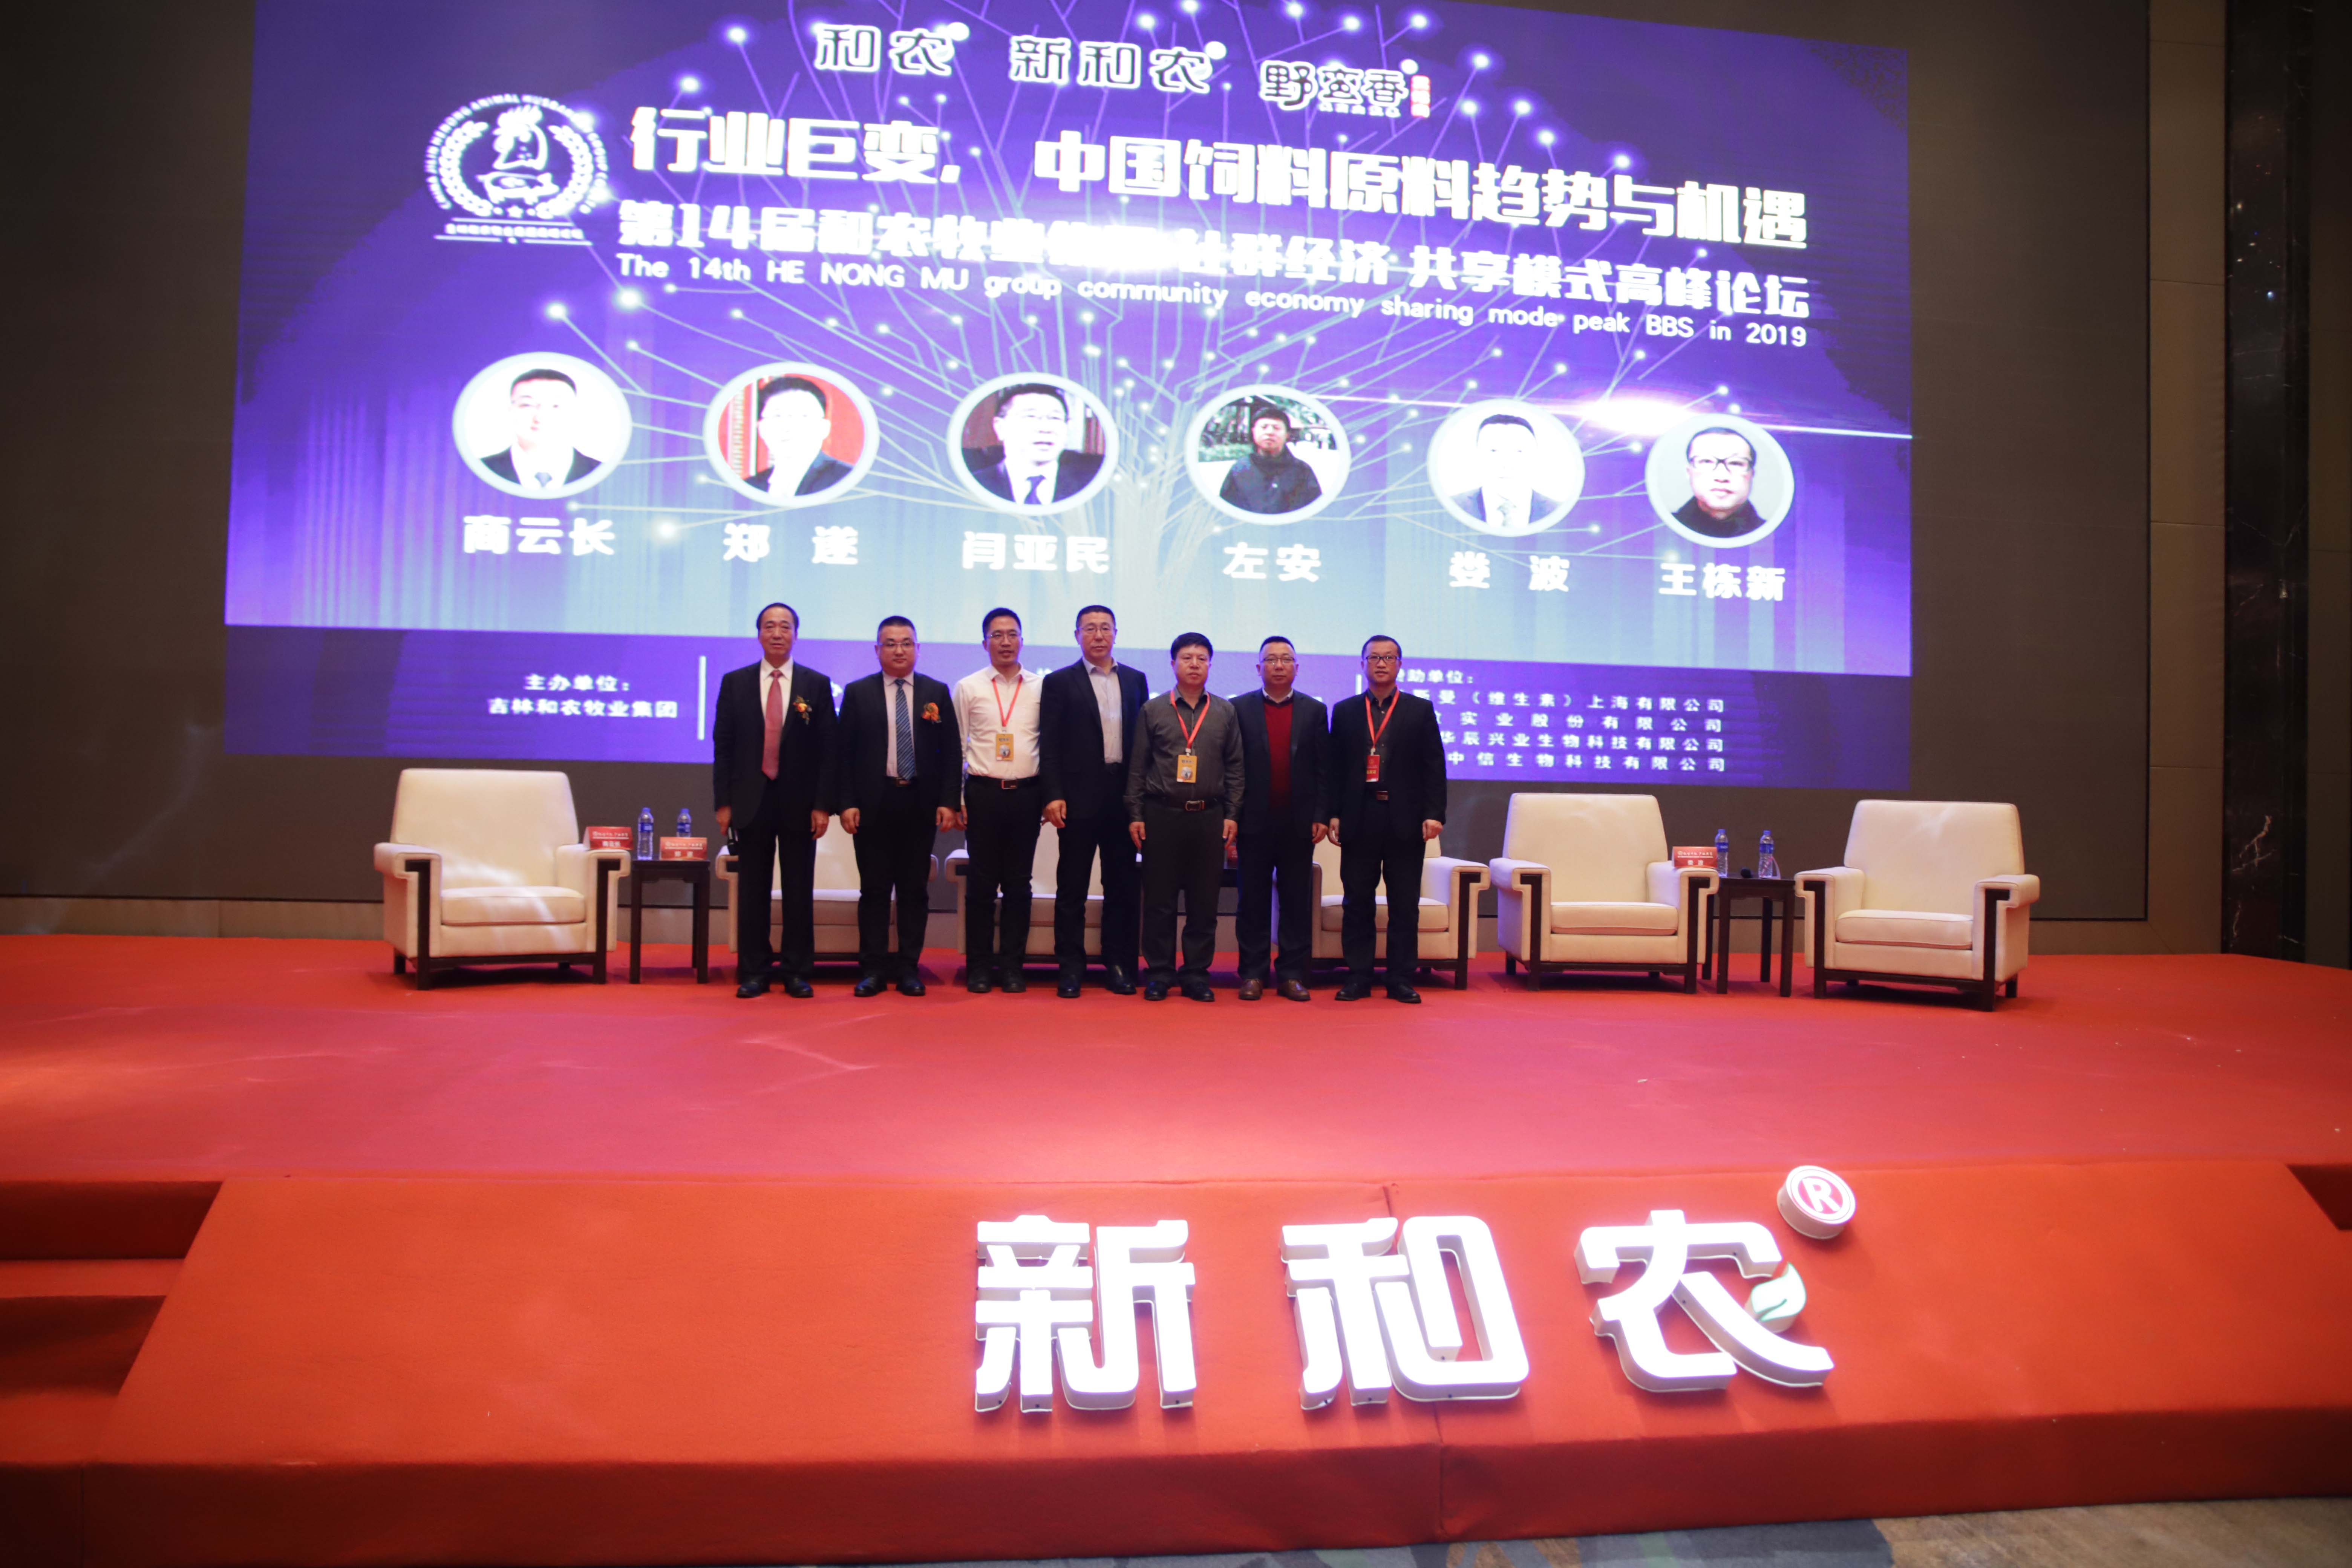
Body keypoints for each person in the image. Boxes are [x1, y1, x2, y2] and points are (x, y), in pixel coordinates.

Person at [830, 616, 959, 997]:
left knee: (914, 891)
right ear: (877, 650)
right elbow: (843, 754)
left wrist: (948, 801)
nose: (899, 650)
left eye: (906, 643)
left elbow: (952, 752)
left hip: (919, 803)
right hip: (873, 804)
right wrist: (846, 803)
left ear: (918, 649)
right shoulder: (858, 693)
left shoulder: (936, 691)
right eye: (890, 643)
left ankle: (908, 969)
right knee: (874, 890)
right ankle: (872, 969)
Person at [712, 602, 836, 998]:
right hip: (750, 800)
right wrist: (723, 803)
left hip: (800, 803)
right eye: (769, 626)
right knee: (753, 892)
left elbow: (828, 751)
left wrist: (822, 805)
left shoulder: (816, 684)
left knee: (799, 890)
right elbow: (724, 746)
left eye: (785, 626)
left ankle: (797, 971)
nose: (777, 633)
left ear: (796, 635)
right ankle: (754, 971)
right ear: (759, 634)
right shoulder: (736, 682)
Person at [1324, 635, 1446, 1003]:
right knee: (1357, 901)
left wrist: (1434, 813)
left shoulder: (1419, 710)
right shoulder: (1345, 711)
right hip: (1359, 817)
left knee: (1404, 903)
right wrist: (1333, 813)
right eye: (1374, 657)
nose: (1381, 663)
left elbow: (1434, 766)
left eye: (1389, 657)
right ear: (1362, 664)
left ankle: (1400, 979)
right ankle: (1358, 976)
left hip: (1405, 818)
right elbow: (1335, 769)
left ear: (1400, 665)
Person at [1125, 633, 1244, 1002]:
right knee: (1159, 901)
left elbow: (1236, 767)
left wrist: (1232, 814)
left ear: (1210, 665)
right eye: (1187, 658)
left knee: (1203, 901)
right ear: (1173, 663)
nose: (1195, 664)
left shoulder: (1225, 711)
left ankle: (1196, 974)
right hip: (1162, 814)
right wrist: (1135, 814)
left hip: (1209, 816)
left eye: (1202, 658)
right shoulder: (1153, 709)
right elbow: (1138, 767)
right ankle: (1160, 973)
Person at [1039, 604, 1148, 997]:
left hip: (1123, 797)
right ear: (1077, 635)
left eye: (1105, 628)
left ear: (1116, 633)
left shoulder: (1135, 680)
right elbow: (1049, 744)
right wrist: (1053, 794)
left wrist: (1141, 801)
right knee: (1072, 887)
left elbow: (1144, 746)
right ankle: (1070, 968)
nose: (1098, 635)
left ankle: (1119, 965)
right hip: (1077, 798)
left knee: (1122, 886)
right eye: (1090, 628)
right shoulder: (1059, 682)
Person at [952, 608, 1046, 992]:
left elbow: (1049, 747)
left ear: (1022, 640)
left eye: (1012, 635)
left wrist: (1048, 796)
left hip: (1027, 794)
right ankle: (978, 967)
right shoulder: (968, 687)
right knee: (981, 885)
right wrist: (957, 797)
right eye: (997, 635)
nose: (1006, 642)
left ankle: (1011, 967)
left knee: (1019, 885)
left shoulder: (1041, 687)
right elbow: (957, 745)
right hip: (983, 793)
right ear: (985, 642)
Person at [1230, 636, 1329, 1001]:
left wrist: (1321, 814)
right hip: (1253, 821)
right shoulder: (1239, 708)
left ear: (1297, 668)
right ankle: (1253, 974)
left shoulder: (1314, 710)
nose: (1278, 665)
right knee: (1252, 902)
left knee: (1295, 902)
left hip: (1298, 823)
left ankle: (1291, 974)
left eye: (1286, 659)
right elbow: (1232, 766)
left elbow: (1323, 769)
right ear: (1259, 668)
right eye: (1271, 660)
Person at [969, 383, 1104, 505]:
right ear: (1000, 427)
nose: (1045, 428)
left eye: (1055, 418)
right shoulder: (974, 486)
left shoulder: (1094, 485)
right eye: (1031, 417)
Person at [480, 368, 606, 490]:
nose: (540, 417)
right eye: (528, 405)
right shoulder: (482, 470)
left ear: (575, 413)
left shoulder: (602, 473)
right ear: (511, 411)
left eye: (556, 406)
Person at [1447, 413, 1562, 531]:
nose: (1506, 464)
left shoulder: (1558, 511)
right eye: (1493, 451)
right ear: (1476, 456)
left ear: (1536, 456)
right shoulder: (1451, 507)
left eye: (1519, 451)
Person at [745, 375, 853, 499]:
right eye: (778, 416)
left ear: (824, 428)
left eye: (804, 416)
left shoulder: (847, 480)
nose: (789, 426)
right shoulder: (750, 487)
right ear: (761, 428)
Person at [1217, 402, 1323, 516]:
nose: (1270, 432)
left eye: (1276, 428)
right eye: (1264, 427)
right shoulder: (1240, 469)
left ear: (1287, 434)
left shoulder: (1302, 471)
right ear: (1253, 431)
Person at [1672, 426, 1769, 539]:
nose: (1722, 477)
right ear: (1689, 473)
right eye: (1707, 461)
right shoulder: (1665, 530)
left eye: (1736, 463)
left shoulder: (1771, 534)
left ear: (1752, 474)